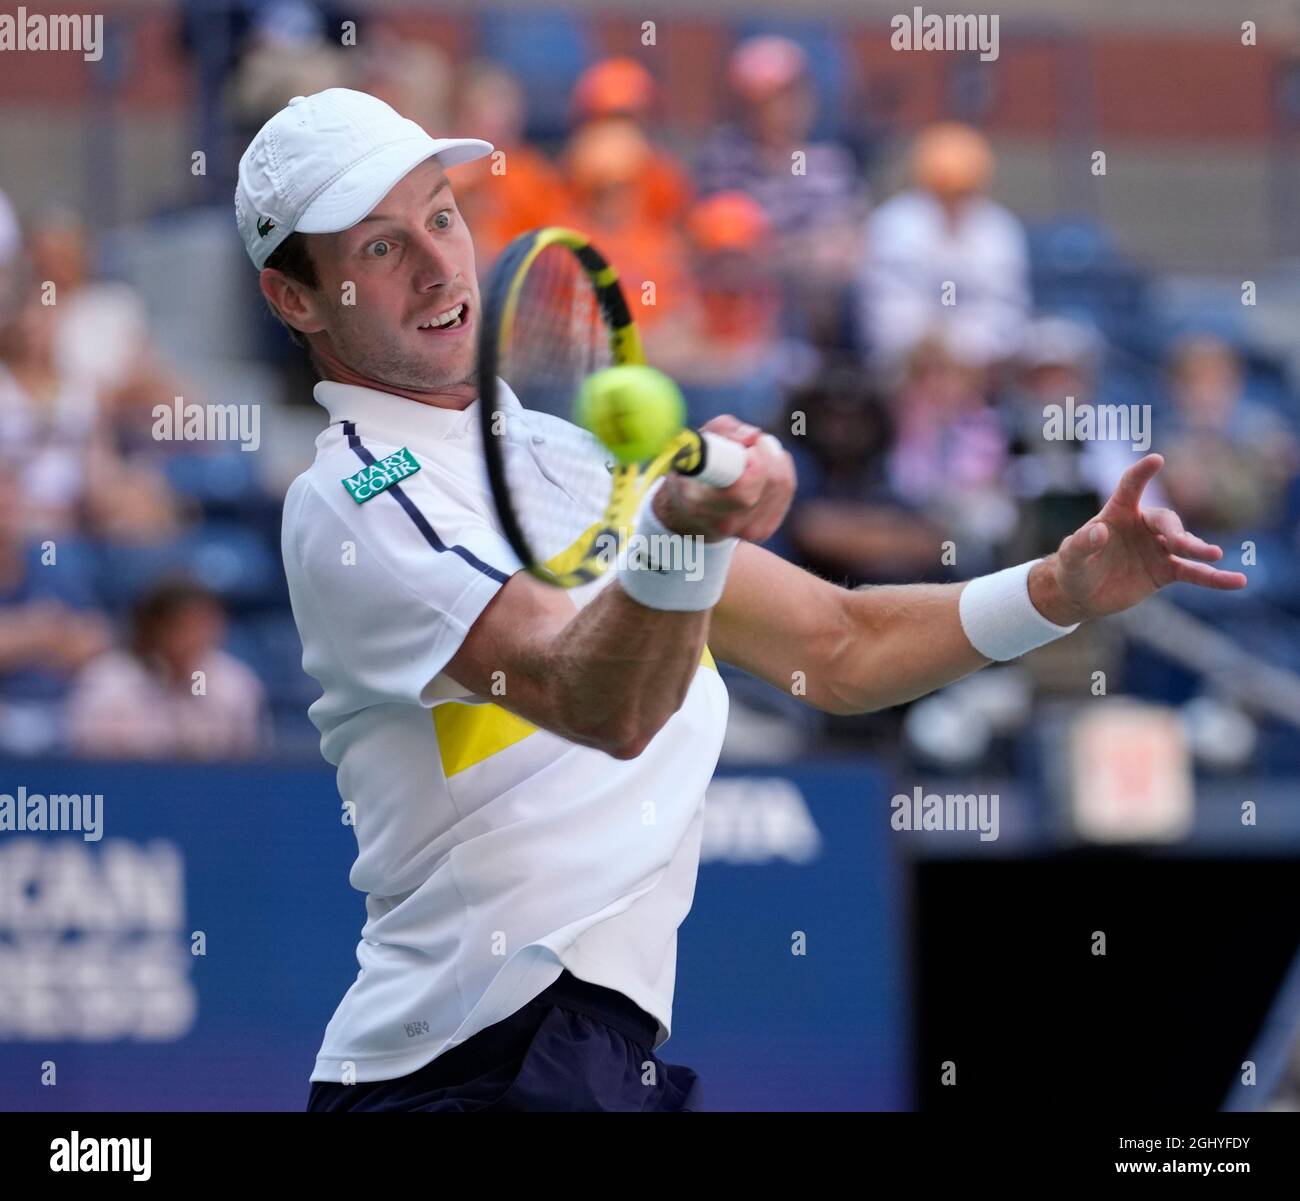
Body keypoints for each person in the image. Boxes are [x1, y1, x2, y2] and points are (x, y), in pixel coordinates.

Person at [240, 88, 1246, 1112]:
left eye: (441, 215)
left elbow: (838, 647)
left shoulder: (570, 459)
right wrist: (685, 534)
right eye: (375, 248)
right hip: (470, 1065)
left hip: (590, 1052)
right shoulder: (351, 502)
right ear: (297, 301)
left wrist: (1053, 590)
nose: (433, 263)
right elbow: (597, 700)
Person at [858, 122, 1030, 372]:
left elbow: (1006, 310)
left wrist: (963, 349)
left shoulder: (1000, 229)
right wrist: (929, 346)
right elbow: (884, 311)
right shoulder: (892, 225)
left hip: (981, 367)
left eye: (963, 191)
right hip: (905, 366)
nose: (954, 202)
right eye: (944, 191)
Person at [65, 578, 266, 760]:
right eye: (184, 626)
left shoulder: (235, 681)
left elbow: (249, 763)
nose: (196, 637)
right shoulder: (108, 681)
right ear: (154, 628)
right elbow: (89, 764)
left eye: (205, 625)